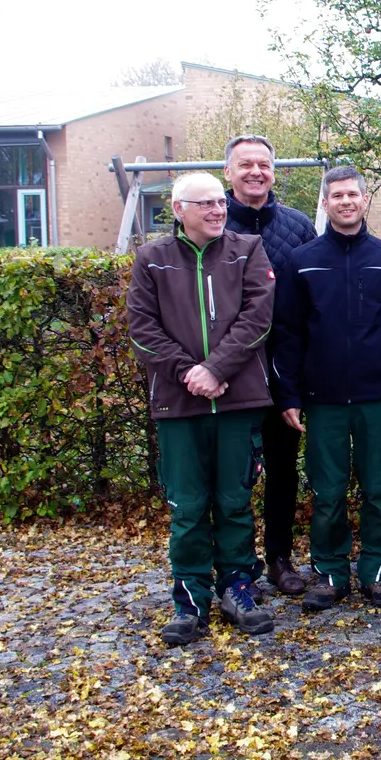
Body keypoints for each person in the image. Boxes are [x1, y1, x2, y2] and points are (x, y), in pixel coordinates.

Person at [127, 171, 276, 646]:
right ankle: (189, 597)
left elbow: (259, 316)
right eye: (205, 203)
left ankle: (238, 587)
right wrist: (188, 373)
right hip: (179, 404)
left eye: (219, 202)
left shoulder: (247, 250)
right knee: (187, 506)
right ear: (178, 210)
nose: (217, 210)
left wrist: (216, 368)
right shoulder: (152, 259)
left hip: (238, 399)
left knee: (235, 500)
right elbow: (141, 329)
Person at [272, 166, 381, 612]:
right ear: (326, 202)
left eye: (353, 194)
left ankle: (374, 571)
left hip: (376, 398)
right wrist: (289, 394)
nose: (346, 202)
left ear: (366, 199)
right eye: (337, 196)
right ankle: (331, 572)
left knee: (378, 489)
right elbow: (289, 333)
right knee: (328, 492)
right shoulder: (303, 260)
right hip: (323, 399)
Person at [220, 134, 318, 598]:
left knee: (283, 470)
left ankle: (279, 557)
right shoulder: (209, 224)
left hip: (282, 371)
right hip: (230, 372)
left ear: (274, 172)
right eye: (246, 164)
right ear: (228, 172)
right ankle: (236, 566)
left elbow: (315, 299)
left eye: (263, 164)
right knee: (233, 473)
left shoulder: (298, 228)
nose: (256, 171)